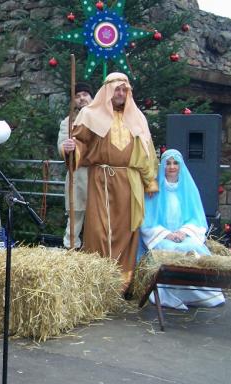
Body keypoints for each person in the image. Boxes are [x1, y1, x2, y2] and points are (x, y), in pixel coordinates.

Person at [61, 72, 159, 290]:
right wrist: (70, 149)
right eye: (117, 89)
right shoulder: (90, 114)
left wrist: (149, 179)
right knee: (98, 230)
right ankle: (98, 282)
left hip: (129, 181)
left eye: (125, 90)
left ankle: (123, 282)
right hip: (101, 180)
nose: (121, 93)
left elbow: (147, 151)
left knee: (126, 230)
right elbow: (80, 143)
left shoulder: (138, 117)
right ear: (107, 91)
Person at [140, 149, 225, 309]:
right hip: (163, 238)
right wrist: (167, 234)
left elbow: (197, 219)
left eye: (175, 163)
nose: (172, 167)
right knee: (170, 252)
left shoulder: (189, 189)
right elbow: (146, 222)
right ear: (162, 166)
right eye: (168, 163)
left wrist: (183, 232)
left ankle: (200, 296)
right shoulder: (153, 191)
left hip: (184, 235)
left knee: (192, 248)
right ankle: (172, 294)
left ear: (180, 166)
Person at [57, 82, 93, 249]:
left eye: (85, 94)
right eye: (77, 96)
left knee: (97, 218)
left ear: (91, 97)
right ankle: (71, 249)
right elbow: (62, 142)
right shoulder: (68, 121)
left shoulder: (103, 117)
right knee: (75, 215)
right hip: (77, 175)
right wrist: (66, 147)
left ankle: (94, 250)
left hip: (97, 175)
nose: (81, 98)